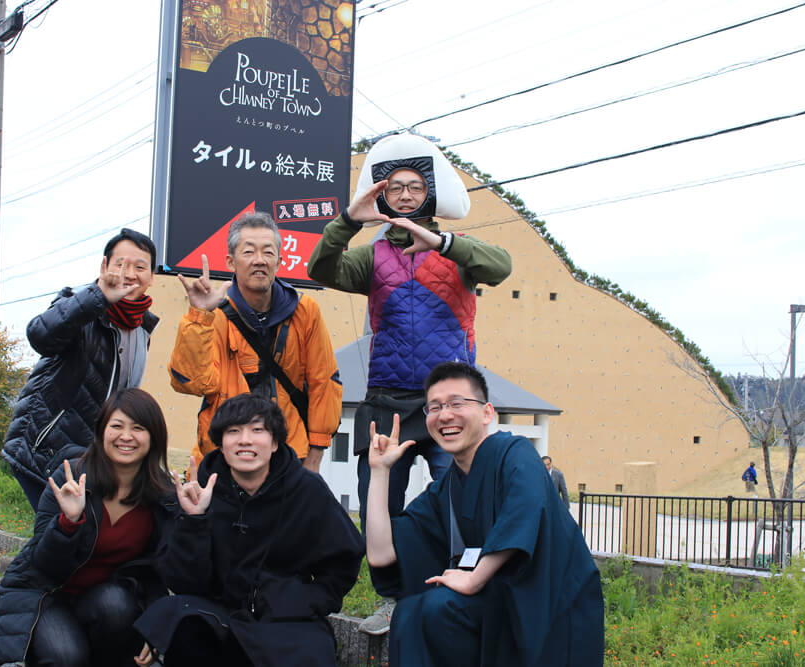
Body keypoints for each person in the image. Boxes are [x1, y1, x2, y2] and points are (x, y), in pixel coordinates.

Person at [308, 133, 511, 632]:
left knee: (461, 498)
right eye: (393, 187)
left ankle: (463, 586)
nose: (402, 195)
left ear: (431, 193)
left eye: (413, 186)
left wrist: (443, 243)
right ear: (381, 194)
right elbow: (320, 267)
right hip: (387, 401)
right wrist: (349, 220)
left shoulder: (458, 252)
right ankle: (393, 598)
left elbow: (501, 266)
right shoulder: (372, 257)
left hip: (450, 404)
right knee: (381, 502)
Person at [365, 362, 603, 666]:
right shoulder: (445, 489)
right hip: (497, 606)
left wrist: (474, 579)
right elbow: (382, 554)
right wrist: (380, 472)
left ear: (487, 413)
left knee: (438, 608)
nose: (445, 414)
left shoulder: (514, 452)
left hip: (548, 605)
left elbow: (525, 508)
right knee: (411, 613)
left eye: (456, 403)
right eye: (434, 407)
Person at [133, 393, 364, 667]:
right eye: (234, 432)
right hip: (218, 610)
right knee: (180, 622)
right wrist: (194, 520)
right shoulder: (202, 490)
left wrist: (303, 600)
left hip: (285, 616)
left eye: (257, 430)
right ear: (221, 445)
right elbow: (183, 583)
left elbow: (343, 561)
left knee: (310, 652)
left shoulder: (307, 490)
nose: (245, 440)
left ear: (275, 442)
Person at [0, 388, 178, 667]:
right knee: (66, 657)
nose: (126, 436)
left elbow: (154, 574)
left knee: (116, 605)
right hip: (49, 596)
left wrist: (157, 626)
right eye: (117, 426)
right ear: (101, 431)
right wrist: (68, 523)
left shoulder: (161, 496)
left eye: (138, 428)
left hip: (105, 602)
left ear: (154, 437)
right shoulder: (71, 479)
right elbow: (43, 564)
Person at [169, 211, 342, 474]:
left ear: (280, 261)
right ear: (230, 261)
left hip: (289, 453)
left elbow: (324, 383)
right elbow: (193, 383)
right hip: (224, 453)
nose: (259, 261)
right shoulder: (213, 314)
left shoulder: (305, 310)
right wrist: (199, 317)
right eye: (248, 252)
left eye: (268, 253)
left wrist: (315, 458)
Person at [3, 228, 160, 510]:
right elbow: (40, 335)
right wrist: (96, 298)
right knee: (59, 538)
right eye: (121, 264)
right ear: (104, 266)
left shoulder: (142, 329)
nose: (130, 273)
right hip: (45, 447)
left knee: (74, 540)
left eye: (140, 267)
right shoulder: (80, 305)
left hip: (90, 458)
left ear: (151, 277)